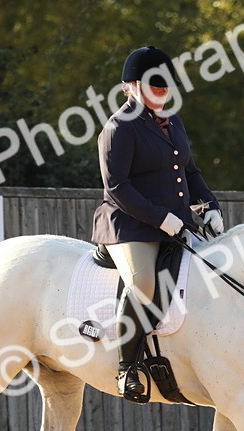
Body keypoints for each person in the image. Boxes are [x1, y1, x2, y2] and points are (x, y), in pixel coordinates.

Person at [92, 45, 225, 403]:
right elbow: (117, 187)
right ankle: (127, 369)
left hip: (175, 224)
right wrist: (160, 218)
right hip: (129, 226)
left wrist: (209, 206)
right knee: (144, 284)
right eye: (155, 84)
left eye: (167, 84)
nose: (163, 90)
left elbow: (189, 172)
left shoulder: (172, 122)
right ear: (133, 86)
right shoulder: (119, 128)